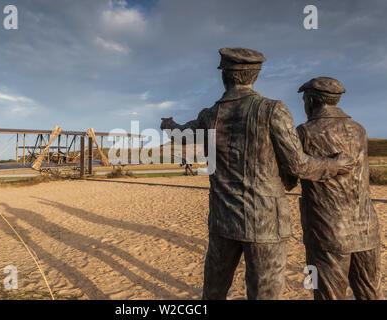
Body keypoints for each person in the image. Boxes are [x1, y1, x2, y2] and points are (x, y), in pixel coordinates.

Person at [160, 47, 355, 300]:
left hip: (222, 221)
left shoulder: (210, 116)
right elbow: (299, 165)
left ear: (225, 76)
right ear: (255, 75)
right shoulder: (272, 110)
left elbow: (180, 133)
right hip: (264, 223)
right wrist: (334, 166)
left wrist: (167, 124)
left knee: (214, 291)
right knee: (264, 294)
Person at [293, 77, 382, 300]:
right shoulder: (358, 130)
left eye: (304, 100)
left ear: (311, 100)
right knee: (370, 293)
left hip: (327, 232)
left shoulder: (304, 132)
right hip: (366, 228)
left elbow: (292, 174)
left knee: (328, 294)